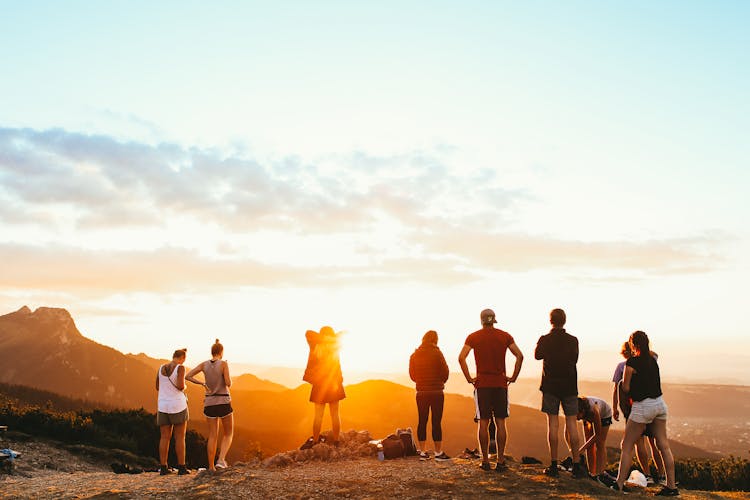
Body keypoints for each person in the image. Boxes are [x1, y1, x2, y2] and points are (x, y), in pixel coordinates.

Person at [612, 331, 678, 496]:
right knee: (663, 445)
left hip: (643, 406)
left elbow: (625, 387)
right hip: (660, 405)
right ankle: (671, 486)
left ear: (633, 345)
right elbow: (653, 354)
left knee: (626, 445)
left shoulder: (631, 362)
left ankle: (618, 484)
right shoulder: (652, 360)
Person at [459, 308, 524, 472]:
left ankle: (485, 461)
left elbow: (461, 357)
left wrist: (468, 377)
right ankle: (501, 461)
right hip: (500, 383)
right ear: (494, 320)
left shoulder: (473, 337)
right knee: (500, 422)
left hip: (482, 384)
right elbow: (519, 356)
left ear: (481, 321)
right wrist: (513, 377)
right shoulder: (505, 336)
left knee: (483, 422)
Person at [534, 308, 586, 478]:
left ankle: (554, 464)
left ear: (551, 321)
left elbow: (537, 356)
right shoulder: (573, 340)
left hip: (550, 386)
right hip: (569, 386)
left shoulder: (545, 339)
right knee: (572, 424)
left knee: (553, 425)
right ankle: (576, 464)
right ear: (564, 321)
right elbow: (575, 360)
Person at [612, 341, 666, 483]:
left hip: (635, 408)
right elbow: (655, 355)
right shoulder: (649, 361)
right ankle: (661, 476)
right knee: (655, 443)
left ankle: (647, 475)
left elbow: (619, 389)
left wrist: (615, 408)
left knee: (637, 443)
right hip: (653, 405)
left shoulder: (622, 366)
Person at [186, 339, 234, 471]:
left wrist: (202, 384)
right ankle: (221, 460)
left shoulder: (204, 364)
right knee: (228, 433)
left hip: (209, 403)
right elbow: (228, 383)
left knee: (213, 435)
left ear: (212, 352)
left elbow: (188, 376)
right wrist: (227, 370)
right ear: (221, 352)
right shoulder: (224, 364)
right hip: (223, 401)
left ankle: (211, 467)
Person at [300, 326, 346, 449]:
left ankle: (315, 441)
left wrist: (325, 338)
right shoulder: (334, 347)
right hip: (334, 384)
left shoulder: (316, 346)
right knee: (335, 414)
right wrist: (332, 338)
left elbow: (308, 332)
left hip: (320, 384)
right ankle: (336, 441)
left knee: (318, 416)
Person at [409, 330, 450, 461]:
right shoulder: (437, 353)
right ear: (435, 340)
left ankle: (422, 452)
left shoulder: (414, 355)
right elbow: (445, 373)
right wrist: (438, 381)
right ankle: (438, 453)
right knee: (436, 422)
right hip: (437, 392)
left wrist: (421, 382)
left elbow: (412, 375)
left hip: (421, 393)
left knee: (422, 420)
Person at [155, 348, 189, 475]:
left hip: (163, 406)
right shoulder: (180, 368)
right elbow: (180, 386)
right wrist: (185, 386)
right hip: (177, 406)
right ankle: (181, 467)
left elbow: (158, 387)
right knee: (180, 437)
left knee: (164, 437)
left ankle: (163, 467)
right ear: (182, 358)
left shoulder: (161, 368)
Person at [576, 396, 612, 483]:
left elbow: (597, 435)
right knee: (589, 444)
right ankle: (591, 473)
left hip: (604, 415)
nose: (576, 418)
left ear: (582, 411)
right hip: (588, 415)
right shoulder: (580, 410)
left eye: (577, 415)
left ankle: (600, 473)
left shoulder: (594, 410)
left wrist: (581, 450)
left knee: (600, 443)